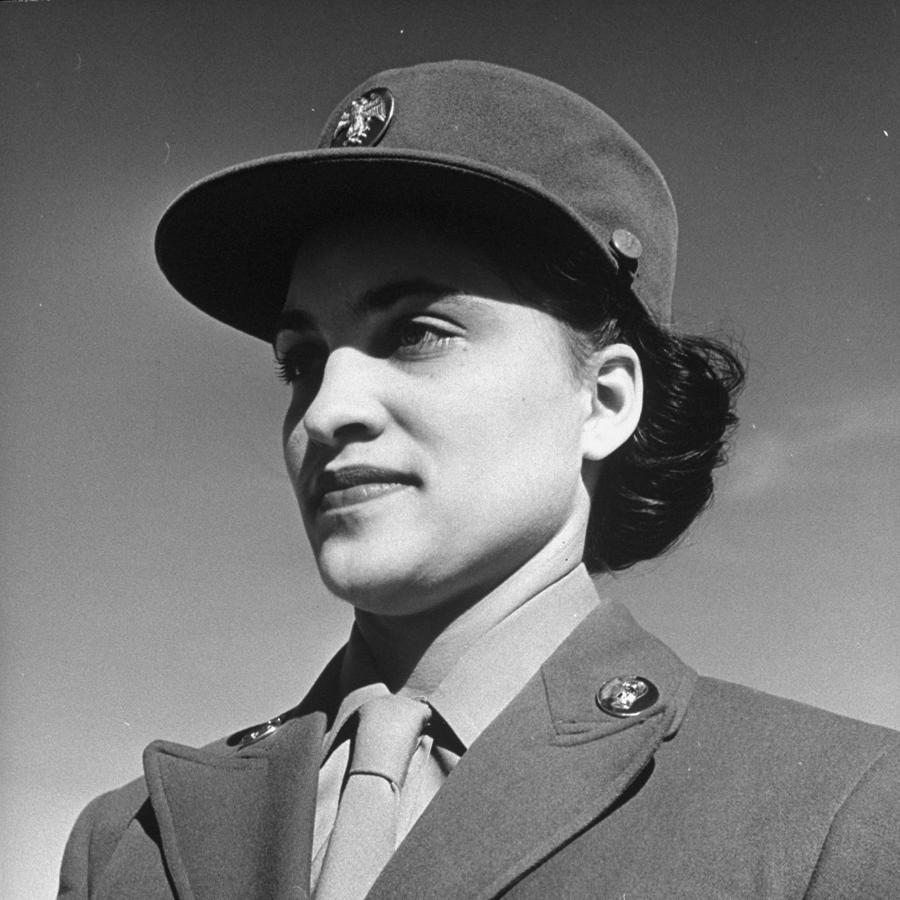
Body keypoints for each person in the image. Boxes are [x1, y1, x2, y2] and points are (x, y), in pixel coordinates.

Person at [58, 60, 899, 899]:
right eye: (300, 361)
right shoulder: (128, 847)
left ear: (604, 401)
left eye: (417, 333)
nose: (325, 410)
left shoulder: (837, 819)